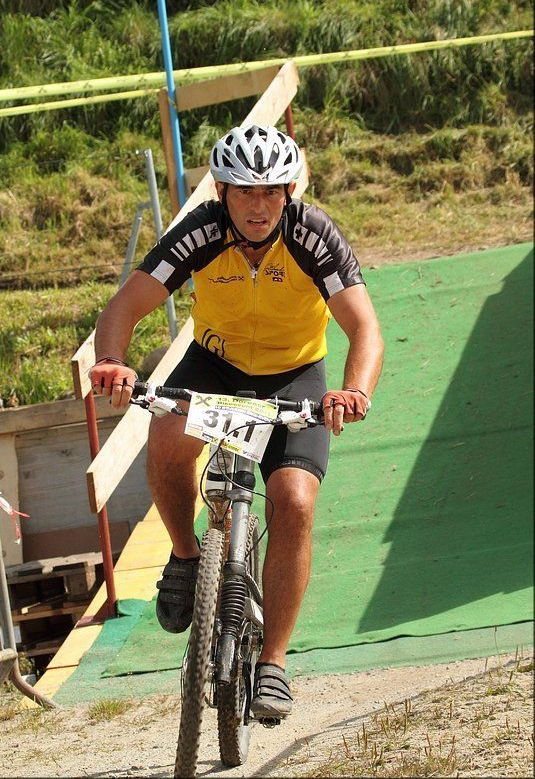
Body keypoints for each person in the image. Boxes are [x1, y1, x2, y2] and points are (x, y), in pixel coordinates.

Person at [89, 124, 384, 720]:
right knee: (166, 433)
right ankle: (185, 556)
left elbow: (364, 327)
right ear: (221, 191)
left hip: (295, 375)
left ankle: (273, 662)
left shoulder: (312, 234)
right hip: (216, 366)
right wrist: (112, 361)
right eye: (245, 191)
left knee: (294, 500)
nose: (259, 205)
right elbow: (124, 306)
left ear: (289, 191)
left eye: (272, 191)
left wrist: (354, 391)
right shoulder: (199, 231)